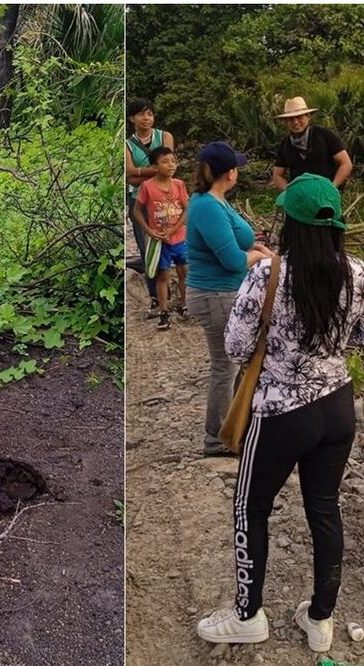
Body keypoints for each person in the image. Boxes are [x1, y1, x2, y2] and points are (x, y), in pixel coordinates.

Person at [196, 174, 364, 650]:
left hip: (280, 412)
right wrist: (332, 347)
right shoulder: (359, 273)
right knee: (324, 509)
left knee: (250, 508)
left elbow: (237, 346)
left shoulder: (267, 274)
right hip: (337, 408)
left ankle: (247, 616)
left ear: (291, 223)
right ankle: (321, 620)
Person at [185, 141, 274, 456]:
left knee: (237, 362)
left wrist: (254, 252)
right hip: (215, 294)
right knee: (225, 365)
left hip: (225, 293)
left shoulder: (215, 201)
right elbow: (232, 260)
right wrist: (256, 255)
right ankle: (217, 437)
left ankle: (236, 427)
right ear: (229, 173)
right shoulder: (207, 206)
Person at [125, 98, 175, 316]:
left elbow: (168, 166)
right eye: (142, 114)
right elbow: (128, 176)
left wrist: (139, 172)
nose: (147, 118)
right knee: (147, 250)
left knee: (168, 245)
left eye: (150, 114)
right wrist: (154, 171)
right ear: (132, 118)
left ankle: (170, 293)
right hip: (138, 201)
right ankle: (155, 296)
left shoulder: (164, 137)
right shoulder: (126, 144)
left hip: (164, 200)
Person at [134, 146, 189, 330]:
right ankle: (164, 311)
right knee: (163, 274)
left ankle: (184, 303)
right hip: (160, 241)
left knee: (184, 271)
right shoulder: (147, 187)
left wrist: (174, 229)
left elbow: (187, 210)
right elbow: (137, 211)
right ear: (155, 166)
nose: (170, 165)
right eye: (165, 162)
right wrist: (149, 230)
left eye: (173, 161)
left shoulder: (179, 185)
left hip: (179, 238)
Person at [271, 96, 352, 191]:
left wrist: (332, 187)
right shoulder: (285, 144)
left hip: (328, 195)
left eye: (299, 117)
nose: (295, 122)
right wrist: (290, 191)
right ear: (286, 121)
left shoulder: (324, 135)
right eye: (291, 119)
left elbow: (346, 163)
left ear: (308, 116)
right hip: (301, 197)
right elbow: (277, 176)